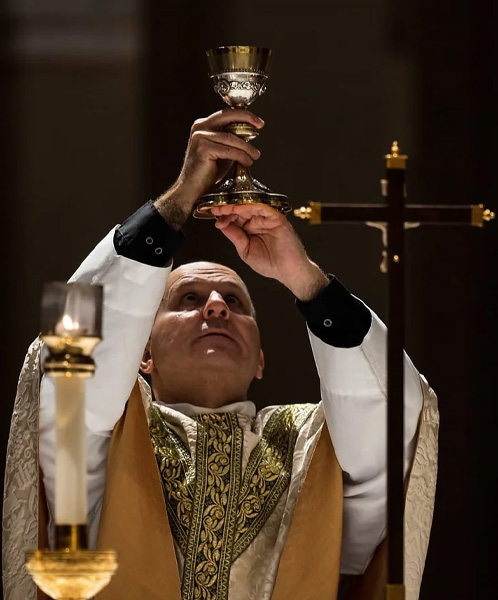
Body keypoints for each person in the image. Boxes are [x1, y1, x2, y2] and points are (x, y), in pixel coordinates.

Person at [2, 109, 439, 600]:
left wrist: (306, 281)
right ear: (141, 353)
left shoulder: (312, 452)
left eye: (235, 302)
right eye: (188, 299)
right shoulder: (107, 445)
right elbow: (67, 351)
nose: (215, 307)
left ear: (260, 360)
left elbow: (399, 419)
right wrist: (177, 202)